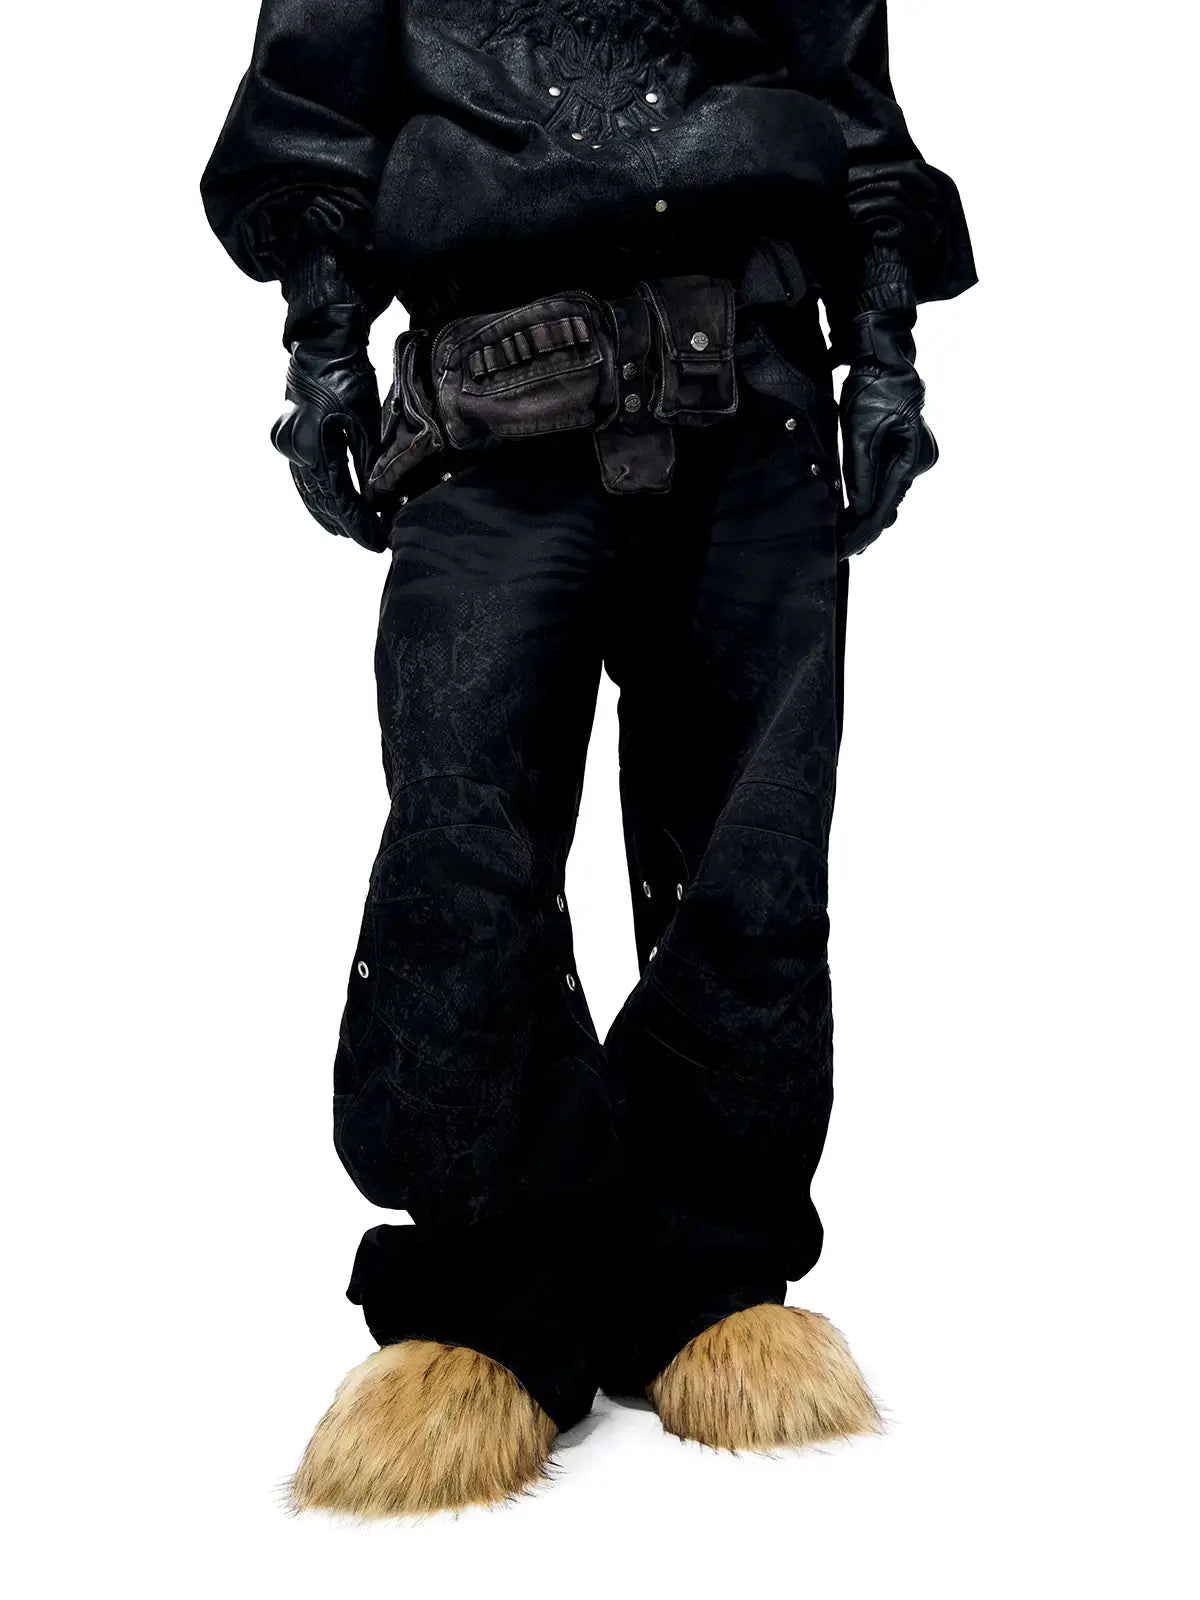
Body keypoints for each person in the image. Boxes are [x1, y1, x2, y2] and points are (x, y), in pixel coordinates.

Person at [202, 0, 975, 1517]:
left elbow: (853, 111)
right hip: (496, 411)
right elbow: (311, 116)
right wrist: (323, 353)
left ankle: (711, 1282)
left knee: (751, 861)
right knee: (461, 858)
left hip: (754, 400)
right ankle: (487, 1302)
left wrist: (883, 358)